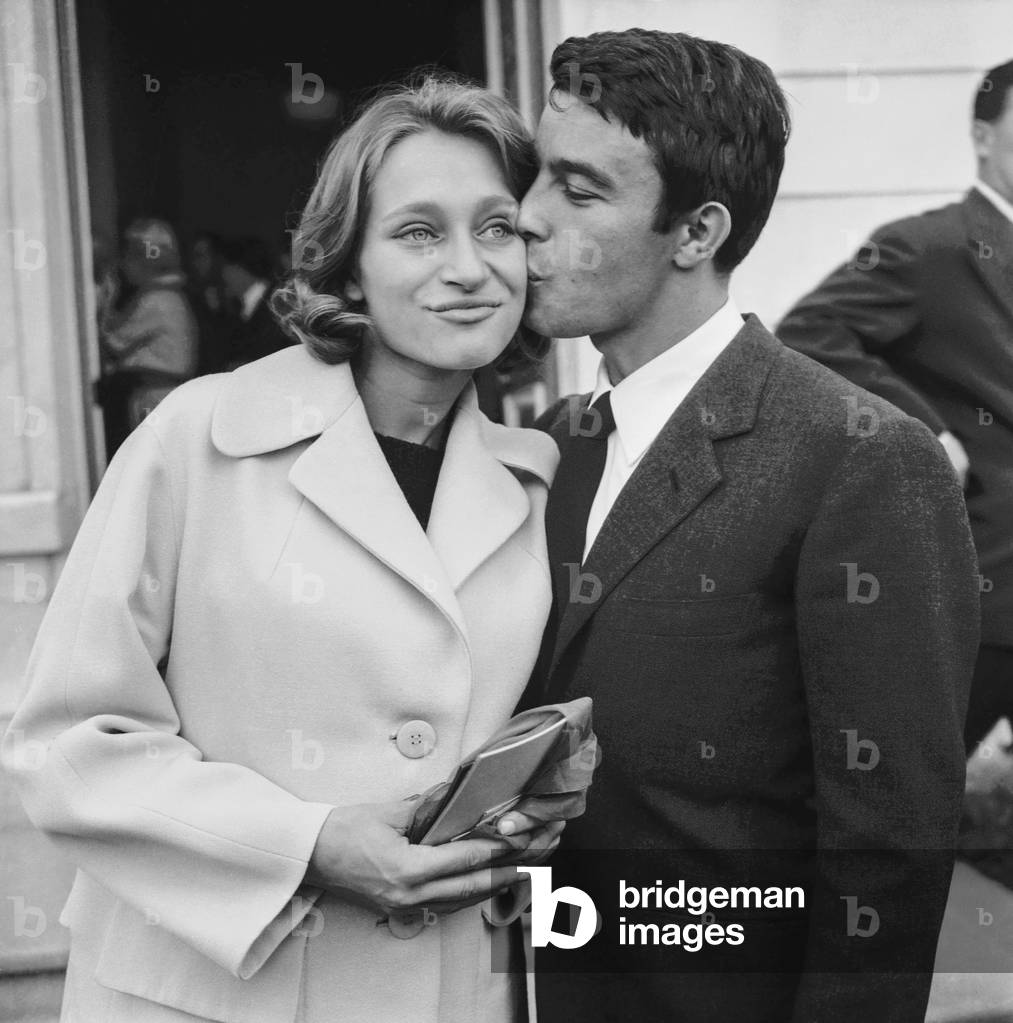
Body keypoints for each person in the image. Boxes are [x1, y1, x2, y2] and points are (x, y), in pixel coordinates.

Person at [3, 76, 562, 1023]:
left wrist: (531, 804)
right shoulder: (196, 437)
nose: (469, 267)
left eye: (497, 227)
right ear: (350, 269)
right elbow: (65, 745)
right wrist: (305, 844)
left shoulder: (537, 478)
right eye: (418, 232)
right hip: (209, 997)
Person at [516, 28, 979, 1022]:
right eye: (534, 176)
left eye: (579, 191)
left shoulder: (859, 456)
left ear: (695, 232)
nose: (526, 216)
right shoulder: (551, 443)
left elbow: (888, 843)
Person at [777, 59, 1013, 757]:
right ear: (982, 136)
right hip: (982, 580)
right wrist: (926, 428)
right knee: (913, 781)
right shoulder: (925, 245)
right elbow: (809, 332)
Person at [98, 218, 200, 453]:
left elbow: (115, 342)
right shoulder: (168, 295)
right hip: (161, 395)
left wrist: (106, 300)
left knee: (152, 456)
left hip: (156, 396)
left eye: (130, 255)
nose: (124, 264)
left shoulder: (157, 299)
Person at [220, 236, 295, 368]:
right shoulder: (239, 308)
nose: (222, 274)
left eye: (226, 266)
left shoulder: (280, 305)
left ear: (239, 269)